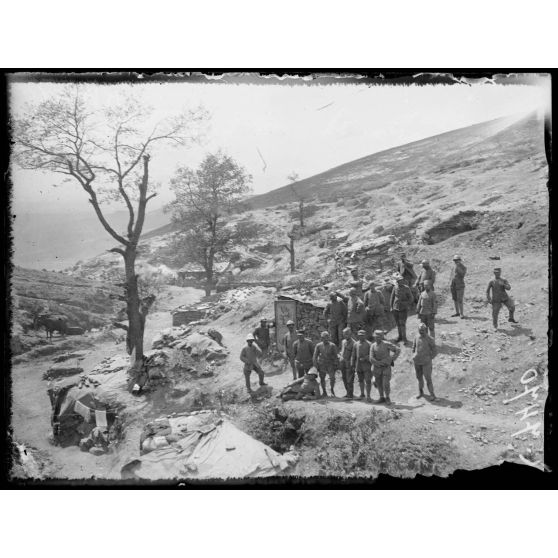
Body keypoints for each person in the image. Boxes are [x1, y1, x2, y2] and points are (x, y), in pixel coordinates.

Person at [369, 330, 400, 405]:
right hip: (377, 368)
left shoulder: (386, 344)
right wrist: (377, 363)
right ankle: (381, 397)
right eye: (376, 337)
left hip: (386, 367)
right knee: (378, 383)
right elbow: (371, 357)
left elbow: (397, 350)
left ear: (382, 337)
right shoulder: (373, 345)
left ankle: (387, 397)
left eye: (379, 337)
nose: (377, 338)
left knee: (385, 383)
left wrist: (392, 358)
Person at [412, 323, 437, 401]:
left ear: (426, 330)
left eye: (422, 330)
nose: (421, 332)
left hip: (426, 362)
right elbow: (413, 347)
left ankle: (432, 394)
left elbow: (435, 351)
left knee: (428, 379)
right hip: (417, 361)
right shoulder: (416, 337)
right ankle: (420, 392)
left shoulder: (430, 339)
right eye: (420, 330)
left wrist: (429, 358)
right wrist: (413, 355)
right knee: (419, 378)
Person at [313, 331, 339, 397]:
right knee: (322, 378)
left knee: (332, 378)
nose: (326, 339)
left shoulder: (332, 345)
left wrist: (336, 365)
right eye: (324, 338)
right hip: (322, 364)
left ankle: (332, 390)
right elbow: (315, 356)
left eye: (327, 337)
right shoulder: (318, 345)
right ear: (321, 338)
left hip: (330, 364)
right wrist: (315, 365)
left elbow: (336, 356)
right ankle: (324, 391)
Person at [390, 274, 414, 343]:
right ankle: (399, 337)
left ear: (403, 281)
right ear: (397, 282)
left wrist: (405, 303)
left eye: (401, 280)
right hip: (395, 308)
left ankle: (404, 338)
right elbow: (392, 298)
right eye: (398, 281)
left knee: (402, 324)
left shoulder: (406, 288)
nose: (400, 282)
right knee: (398, 324)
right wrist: (391, 307)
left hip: (403, 309)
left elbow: (411, 298)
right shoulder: (395, 287)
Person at [350, 329, 372, 401]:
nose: (361, 337)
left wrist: (366, 358)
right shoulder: (355, 344)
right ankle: (362, 394)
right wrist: (352, 364)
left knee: (368, 380)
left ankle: (368, 395)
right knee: (360, 380)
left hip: (367, 365)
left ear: (365, 335)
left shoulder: (369, 344)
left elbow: (372, 355)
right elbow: (353, 355)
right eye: (359, 335)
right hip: (358, 365)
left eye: (362, 335)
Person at [339, 327, 356, 399]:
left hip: (349, 363)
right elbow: (342, 351)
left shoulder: (354, 343)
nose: (345, 335)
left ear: (350, 334)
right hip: (343, 362)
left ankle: (350, 395)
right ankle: (347, 393)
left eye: (346, 334)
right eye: (344, 334)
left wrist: (352, 364)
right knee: (344, 378)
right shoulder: (343, 341)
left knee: (349, 380)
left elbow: (353, 355)